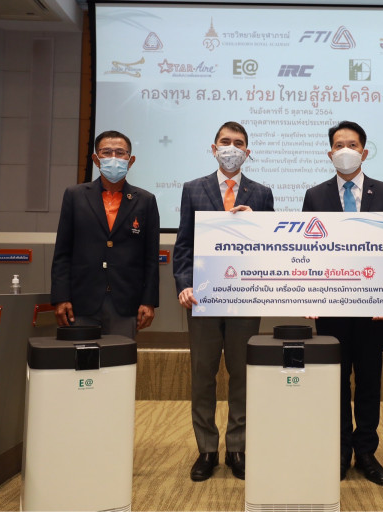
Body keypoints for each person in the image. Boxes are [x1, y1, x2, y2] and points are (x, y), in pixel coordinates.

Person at [302, 120, 383, 486]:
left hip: (373, 306)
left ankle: (366, 452)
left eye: (352, 144)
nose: (345, 150)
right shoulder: (315, 195)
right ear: (330, 153)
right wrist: (310, 293)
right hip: (331, 306)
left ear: (364, 151)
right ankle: (341, 450)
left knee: (369, 380)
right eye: (339, 145)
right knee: (337, 381)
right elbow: (308, 251)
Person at [173, 121, 274, 482]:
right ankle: (206, 449)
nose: (232, 148)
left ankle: (236, 447)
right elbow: (183, 246)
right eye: (225, 142)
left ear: (248, 151)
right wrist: (184, 285)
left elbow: (270, 246)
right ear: (214, 148)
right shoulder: (193, 189)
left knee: (241, 375)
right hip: (202, 299)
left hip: (244, 298)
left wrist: (257, 224)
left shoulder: (262, 193)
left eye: (239, 143)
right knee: (203, 375)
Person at [51, 130, 160, 339]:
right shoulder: (75, 196)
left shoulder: (145, 200)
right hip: (81, 302)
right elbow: (62, 253)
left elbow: (151, 259)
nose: (113, 158)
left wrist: (149, 301)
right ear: (96, 159)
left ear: (130, 160)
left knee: (121, 358)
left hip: (126, 303)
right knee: (82, 359)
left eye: (120, 153)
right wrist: (60, 297)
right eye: (107, 152)